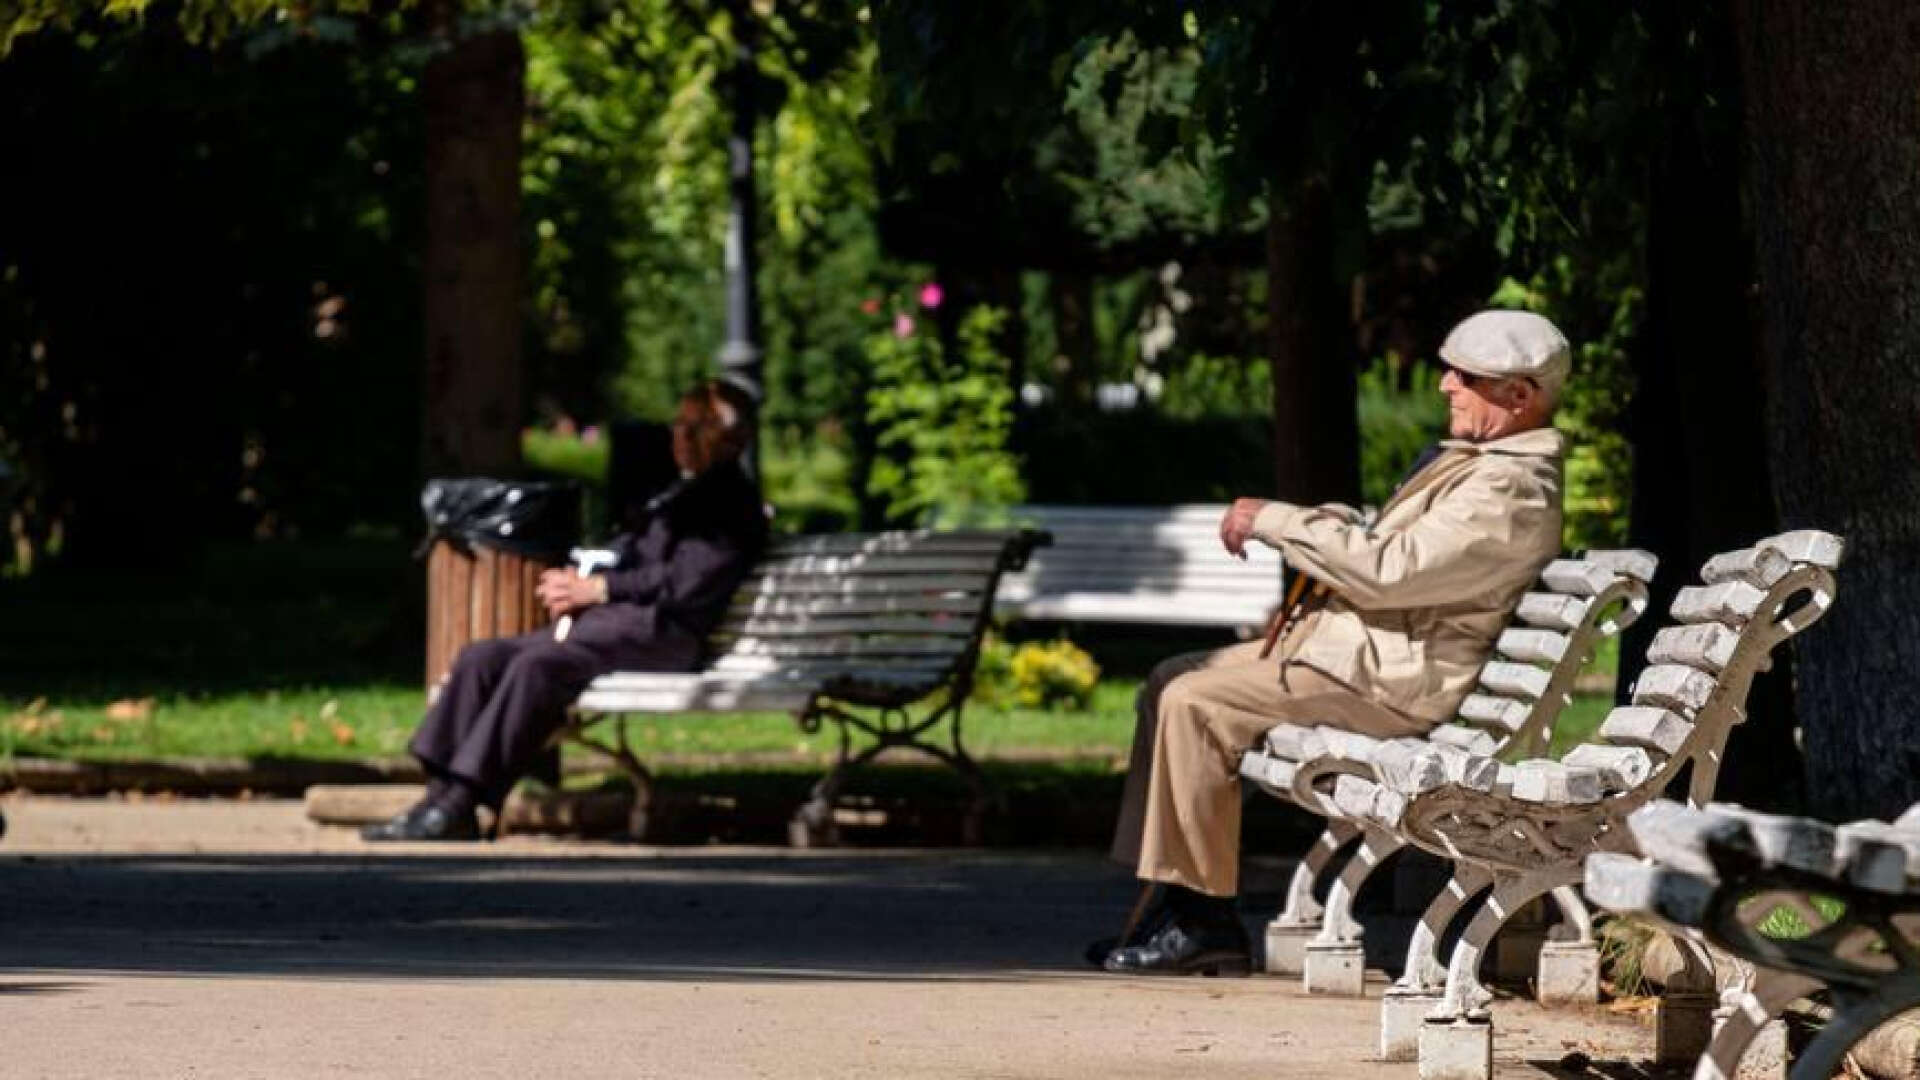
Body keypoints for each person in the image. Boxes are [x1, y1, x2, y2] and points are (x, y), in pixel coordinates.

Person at [1096, 309, 1572, 974]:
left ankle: (1204, 920)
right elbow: (1404, 552)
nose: (1445, 385)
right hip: (1361, 658)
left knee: (1195, 702)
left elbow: (1391, 572)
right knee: (1169, 678)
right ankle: (1167, 899)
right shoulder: (1486, 466)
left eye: (1465, 375)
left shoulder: (1511, 487)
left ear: (1519, 396)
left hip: (1390, 682)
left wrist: (1278, 521)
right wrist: (1340, 524)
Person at [364, 379, 770, 842]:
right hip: (617, 626)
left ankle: (458, 803)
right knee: (483, 657)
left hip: (663, 635)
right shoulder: (682, 494)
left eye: (690, 427)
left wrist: (598, 588)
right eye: (677, 425)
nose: (677, 436)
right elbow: (630, 555)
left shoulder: (732, 504)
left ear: (722, 437)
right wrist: (581, 575)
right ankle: (438, 797)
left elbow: (685, 586)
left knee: (539, 665)